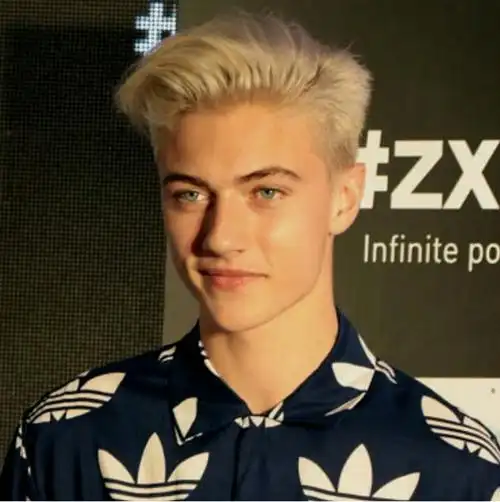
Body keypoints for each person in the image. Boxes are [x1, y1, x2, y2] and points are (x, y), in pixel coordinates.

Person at [1, 9, 499, 501]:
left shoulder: (458, 471)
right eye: (190, 194)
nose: (221, 237)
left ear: (345, 198)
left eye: (266, 192)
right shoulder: (64, 440)